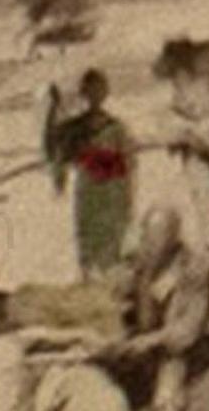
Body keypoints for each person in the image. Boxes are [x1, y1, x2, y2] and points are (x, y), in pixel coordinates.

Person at [93, 204, 209, 411]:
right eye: (147, 237)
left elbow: (186, 332)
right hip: (161, 354)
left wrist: (145, 342)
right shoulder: (140, 262)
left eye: (157, 239)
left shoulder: (195, 270)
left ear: (172, 239)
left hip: (204, 358)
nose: (149, 245)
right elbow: (120, 294)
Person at [154, 39, 209, 254]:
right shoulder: (178, 86)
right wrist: (187, 131)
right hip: (194, 138)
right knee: (202, 186)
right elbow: (173, 114)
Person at [45, 69, 136, 276]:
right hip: (93, 195)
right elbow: (58, 152)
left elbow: (127, 167)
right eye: (91, 90)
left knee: (108, 251)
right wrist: (53, 104)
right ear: (86, 94)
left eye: (98, 90)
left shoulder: (115, 127)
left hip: (109, 195)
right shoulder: (78, 128)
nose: (95, 95)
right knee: (91, 251)